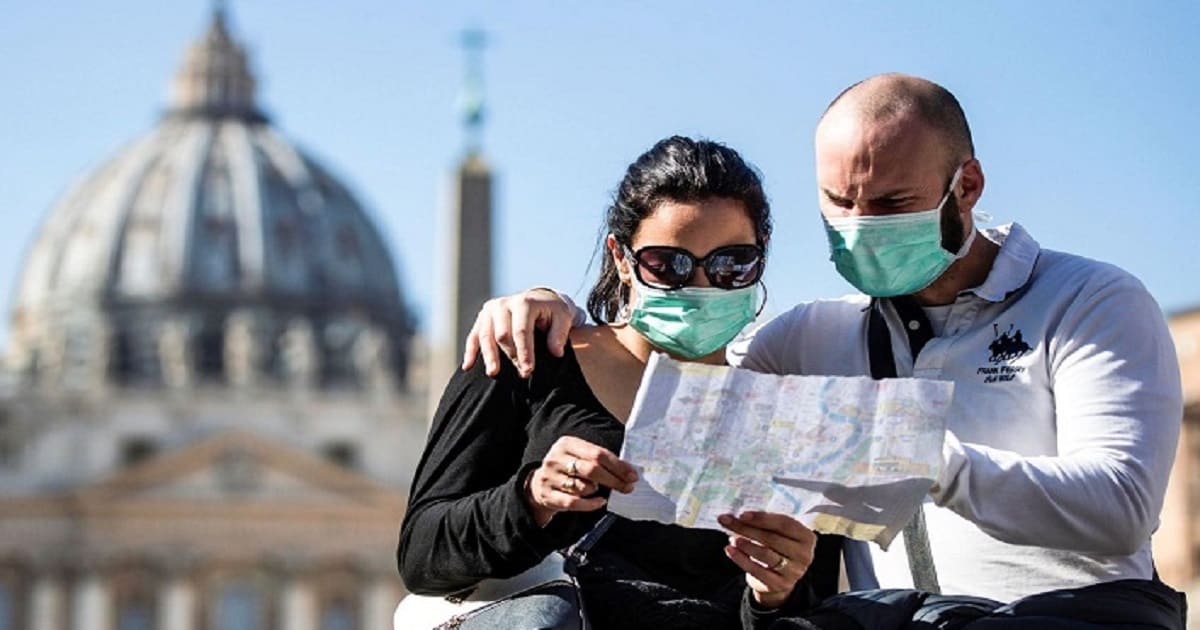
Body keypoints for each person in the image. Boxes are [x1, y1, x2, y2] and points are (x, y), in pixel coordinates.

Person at [460, 74, 1187, 628]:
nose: (860, 225)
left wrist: (917, 457)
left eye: (890, 204)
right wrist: (549, 307)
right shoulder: (811, 337)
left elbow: (1120, 508)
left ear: (965, 186)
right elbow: (685, 374)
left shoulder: (1089, 300)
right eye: (840, 203)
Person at [398, 136, 842, 630]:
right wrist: (531, 498)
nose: (700, 287)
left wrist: (775, 594)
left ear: (761, 258)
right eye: (667, 265)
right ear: (621, 259)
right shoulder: (525, 358)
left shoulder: (786, 422)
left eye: (730, 264)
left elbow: (807, 611)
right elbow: (422, 553)